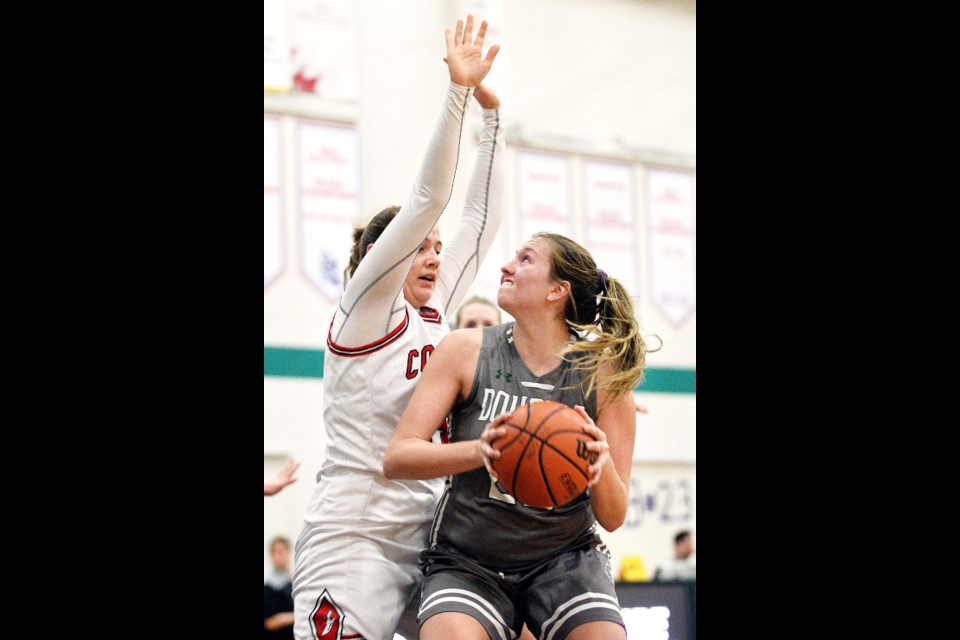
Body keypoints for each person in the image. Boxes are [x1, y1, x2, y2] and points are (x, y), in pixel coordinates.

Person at [292, 15, 503, 640]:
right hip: (352, 540)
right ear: (384, 256)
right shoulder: (362, 308)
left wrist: (494, 121)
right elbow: (428, 201)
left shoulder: (434, 314)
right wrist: (458, 93)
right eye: (421, 248)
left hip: (431, 540)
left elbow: (481, 216)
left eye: (439, 248)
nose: (435, 255)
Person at [384, 231, 656, 640]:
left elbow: (613, 518)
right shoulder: (464, 349)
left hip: (564, 557)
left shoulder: (604, 373)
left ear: (557, 290)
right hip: (469, 557)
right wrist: (481, 450)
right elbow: (398, 457)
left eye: (525, 259)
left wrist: (598, 466)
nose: (507, 266)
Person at [264, 536, 295, 640]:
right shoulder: (268, 588)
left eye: (282, 551)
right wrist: (295, 616)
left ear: (288, 553)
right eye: (275, 552)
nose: (279, 556)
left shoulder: (294, 583)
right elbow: (269, 622)